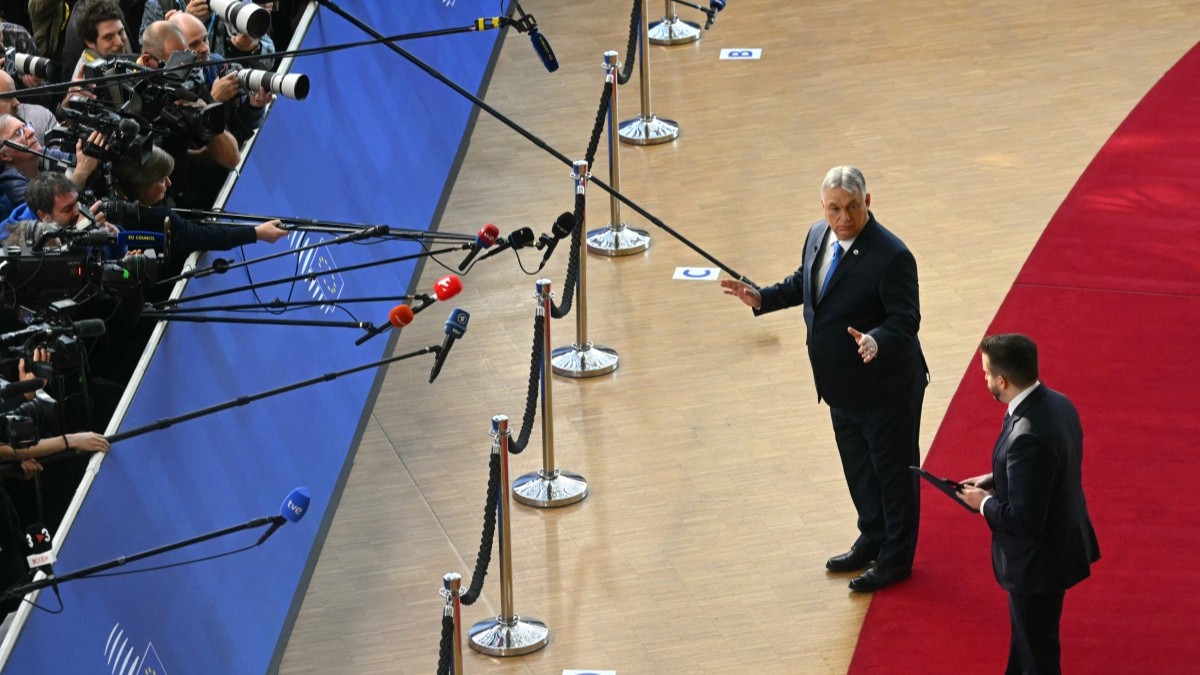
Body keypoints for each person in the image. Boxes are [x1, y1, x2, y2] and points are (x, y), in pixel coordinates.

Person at [721, 165, 928, 592]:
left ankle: (896, 559)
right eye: (835, 208)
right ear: (823, 207)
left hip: (887, 389)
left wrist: (876, 340)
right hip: (840, 387)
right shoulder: (818, 234)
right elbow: (807, 283)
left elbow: (907, 318)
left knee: (892, 475)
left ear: (867, 202)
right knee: (859, 470)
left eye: (853, 207)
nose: (844, 218)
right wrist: (762, 297)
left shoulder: (892, 255)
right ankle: (872, 537)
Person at [957, 334, 1100, 674]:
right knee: (1028, 638)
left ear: (1003, 381)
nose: (985, 379)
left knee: (1038, 652)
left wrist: (982, 503)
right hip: (1057, 546)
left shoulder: (1028, 435)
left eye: (987, 374)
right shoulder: (1057, 403)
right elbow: (1049, 470)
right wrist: (996, 478)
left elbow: (1023, 520)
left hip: (1037, 563)